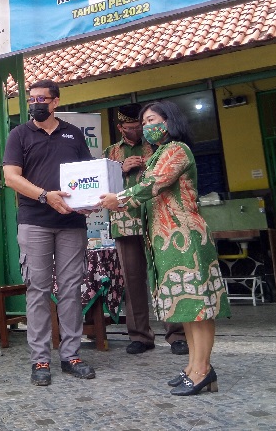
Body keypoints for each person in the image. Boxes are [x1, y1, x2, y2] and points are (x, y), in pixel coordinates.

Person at [99, 101, 231, 396]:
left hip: (185, 236)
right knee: (186, 306)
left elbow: (154, 185)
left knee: (199, 306)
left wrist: (117, 199)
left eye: (151, 120)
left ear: (170, 121)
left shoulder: (177, 150)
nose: (147, 127)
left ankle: (203, 369)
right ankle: (193, 367)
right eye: (144, 122)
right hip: (165, 238)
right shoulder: (159, 153)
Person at [2, 79, 96, 386]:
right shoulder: (19, 134)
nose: (36, 104)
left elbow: (88, 175)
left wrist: (89, 201)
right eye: (32, 100)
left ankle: (71, 355)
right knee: (38, 290)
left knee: (71, 290)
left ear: (55, 101)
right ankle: (40, 359)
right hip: (34, 221)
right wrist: (45, 196)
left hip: (71, 223)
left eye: (42, 99)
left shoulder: (73, 133)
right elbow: (11, 177)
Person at [104, 104, 188, 356]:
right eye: (130, 128)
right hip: (125, 222)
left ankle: (177, 334)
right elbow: (101, 188)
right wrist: (120, 168)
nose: (137, 130)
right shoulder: (111, 152)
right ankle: (140, 335)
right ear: (120, 128)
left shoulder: (159, 147)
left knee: (164, 278)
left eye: (140, 125)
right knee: (132, 282)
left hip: (157, 221)